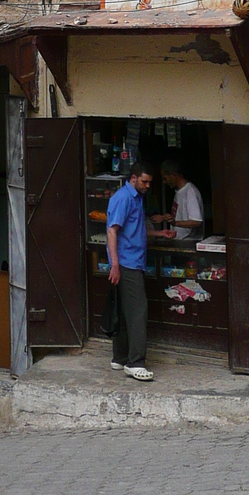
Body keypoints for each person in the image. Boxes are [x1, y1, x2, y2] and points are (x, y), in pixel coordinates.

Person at [106, 161, 155, 381]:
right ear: (133, 178)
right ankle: (136, 363)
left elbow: (134, 229)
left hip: (130, 262)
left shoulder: (136, 198)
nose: (147, 186)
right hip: (127, 264)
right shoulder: (124, 198)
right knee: (138, 312)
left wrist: (159, 234)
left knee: (126, 313)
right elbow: (112, 231)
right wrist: (115, 264)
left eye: (149, 182)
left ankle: (120, 357)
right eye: (144, 181)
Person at [151, 158, 204, 242]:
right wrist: (164, 218)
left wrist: (175, 223)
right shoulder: (179, 191)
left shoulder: (190, 192)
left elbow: (197, 222)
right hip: (180, 242)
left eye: (165, 178)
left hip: (189, 244)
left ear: (173, 175)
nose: (164, 182)